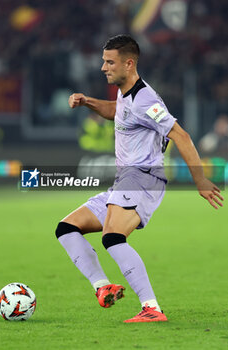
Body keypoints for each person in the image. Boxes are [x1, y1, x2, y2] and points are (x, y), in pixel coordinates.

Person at [55, 35, 224, 323]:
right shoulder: (125, 92)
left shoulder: (145, 98)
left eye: (109, 62)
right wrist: (88, 102)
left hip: (143, 177)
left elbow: (180, 135)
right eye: (103, 60)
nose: (102, 67)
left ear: (129, 63)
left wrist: (200, 179)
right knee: (66, 228)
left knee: (112, 237)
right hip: (125, 179)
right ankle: (102, 286)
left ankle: (151, 309)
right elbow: (118, 113)